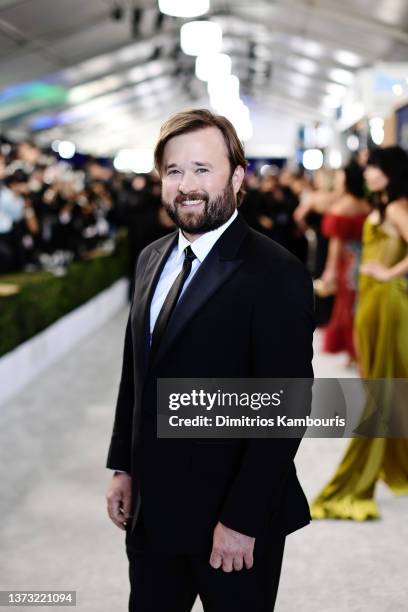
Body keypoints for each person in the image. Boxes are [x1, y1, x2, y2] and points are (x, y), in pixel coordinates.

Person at [105, 109, 314, 611]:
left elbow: (283, 410)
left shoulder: (276, 272)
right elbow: (138, 372)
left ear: (237, 177)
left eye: (203, 169)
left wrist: (242, 520)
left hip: (234, 524)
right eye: (174, 171)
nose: (187, 186)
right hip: (153, 516)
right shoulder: (152, 257)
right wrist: (123, 465)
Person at [311, 146, 408, 521]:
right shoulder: (385, 206)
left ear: (390, 172)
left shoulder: (398, 207)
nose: (366, 174)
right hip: (370, 302)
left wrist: (389, 272)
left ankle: (358, 476)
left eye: (373, 169)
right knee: (381, 384)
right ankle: (397, 462)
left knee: (381, 389)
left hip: (388, 303)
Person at [315, 162, 370, 362]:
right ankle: (359, 348)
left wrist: (329, 270)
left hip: (347, 263)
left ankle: (352, 350)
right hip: (366, 258)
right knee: (358, 304)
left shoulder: (343, 205)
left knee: (346, 306)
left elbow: (336, 244)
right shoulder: (367, 204)